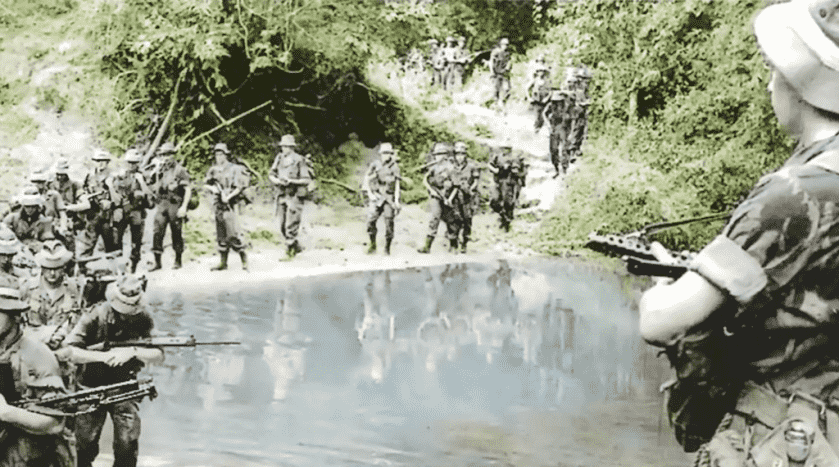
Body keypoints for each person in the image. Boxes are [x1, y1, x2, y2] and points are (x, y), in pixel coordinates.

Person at [639, 1, 839, 465]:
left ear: (794, 82)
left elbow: (663, 322)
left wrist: (659, 290)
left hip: (783, 439)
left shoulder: (793, 193)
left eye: (773, 72)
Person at [58, 274, 164, 467]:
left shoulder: (144, 317)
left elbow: (158, 354)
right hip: (89, 384)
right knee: (84, 445)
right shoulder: (95, 315)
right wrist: (104, 357)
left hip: (125, 385)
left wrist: (132, 352)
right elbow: (69, 351)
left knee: (127, 443)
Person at [0, 286, 74, 466]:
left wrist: (7, 413)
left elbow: (54, 423)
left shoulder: (38, 355)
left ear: (16, 316)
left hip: (32, 449)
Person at [24, 240, 81, 350]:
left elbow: (78, 322)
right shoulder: (28, 287)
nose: (52, 273)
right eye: (48, 268)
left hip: (64, 348)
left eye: (57, 268)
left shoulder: (74, 288)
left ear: (64, 267)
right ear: (42, 267)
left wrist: (61, 335)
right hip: (33, 347)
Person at [204, 142, 251, 270]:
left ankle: (244, 259)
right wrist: (213, 189)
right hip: (218, 203)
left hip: (232, 203)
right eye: (216, 154)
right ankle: (223, 263)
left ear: (226, 155)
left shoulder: (235, 168)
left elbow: (239, 187)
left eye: (221, 154)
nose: (218, 157)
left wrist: (228, 196)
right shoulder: (213, 170)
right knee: (221, 233)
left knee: (233, 232)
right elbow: (206, 184)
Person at [148, 141, 192, 271]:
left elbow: (188, 189)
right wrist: (155, 171)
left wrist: (183, 207)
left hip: (175, 203)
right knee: (157, 232)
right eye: (163, 155)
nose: (165, 158)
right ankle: (157, 262)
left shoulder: (180, 170)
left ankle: (178, 259)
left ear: (173, 155)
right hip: (162, 203)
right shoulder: (158, 170)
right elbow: (151, 184)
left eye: (168, 155)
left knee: (176, 232)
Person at [269, 135, 313, 258]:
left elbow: (306, 179)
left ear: (292, 147)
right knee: (282, 225)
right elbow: (271, 173)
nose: (284, 149)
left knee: (291, 224)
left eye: (286, 146)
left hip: (294, 195)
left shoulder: (299, 160)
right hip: (282, 194)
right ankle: (296, 246)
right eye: (282, 146)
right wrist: (276, 180)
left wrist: (291, 181)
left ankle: (289, 252)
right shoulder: (279, 158)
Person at [110, 148, 153, 273]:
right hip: (122, 210)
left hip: (137, 212)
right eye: (129, 162)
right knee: (117, 240)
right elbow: (115, 193)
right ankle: (119, 268)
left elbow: (151, 196)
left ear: (138, 163)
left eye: (134, 163)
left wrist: (141, 181)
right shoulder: (120, 175)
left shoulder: (144, 176)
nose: (131, 165)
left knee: (136, 242)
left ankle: (133, 267)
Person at [78, 150, 120, 258]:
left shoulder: (113, 177)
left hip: (107, 216)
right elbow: (81, 191)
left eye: (103, 161)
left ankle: (114, 271)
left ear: (107, 162)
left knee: (111, 245)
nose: (100, 163)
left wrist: (110, 187)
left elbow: (118, 200)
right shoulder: (89, 176)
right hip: (92, 214)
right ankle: (83, 270)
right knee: (87, 245)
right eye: (98, 161)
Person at [363, 143, 401, 255]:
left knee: (389, 222)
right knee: (371, 221)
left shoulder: (394, 167)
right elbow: (366, 179)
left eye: (388, 153)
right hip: (377, 195)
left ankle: (387, 248)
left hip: (389, 197)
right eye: (384, 153)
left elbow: (397, 185)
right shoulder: (376, 164)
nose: (386, 155)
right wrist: (370, 194)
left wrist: (397, 201)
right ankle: (372, 245)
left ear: (391, 154)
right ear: (380, 154)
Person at [418, 143, 455, 254]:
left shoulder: (451, 167)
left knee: (450, 220)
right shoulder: (433, 167)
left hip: (448, 196)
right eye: (437, 154)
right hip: (436, 195)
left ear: (445, 155)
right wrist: (431, 190)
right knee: (435, 218)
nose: (438, 157)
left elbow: (455, 184)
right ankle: (427, 246)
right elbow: (425, 180)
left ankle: (453, 245)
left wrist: (450, 197)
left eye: (440, 154)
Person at [448, 142, 481, 253]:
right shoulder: (452, 167)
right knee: (454, 220)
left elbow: (476, 181)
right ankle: (453, 244)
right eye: (457, 154)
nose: (460, 157)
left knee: (467, 220)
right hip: (455, 195)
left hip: (468, 197)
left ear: (465, 155)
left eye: (462, 154)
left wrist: (470, 189)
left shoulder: (472, 166)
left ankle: (465, 243)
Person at [488, 142, 526, 232]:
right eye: (503, 148)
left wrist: (512, 168)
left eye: (507, 148)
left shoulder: (514, 158)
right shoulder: (497, 156)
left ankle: (506, 223)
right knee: (494, 201)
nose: (505, 150)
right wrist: (495, 170)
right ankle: (503, 216)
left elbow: (517, 170)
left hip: (508, 182)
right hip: (498, 182)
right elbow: (490, 164)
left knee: (508, 203)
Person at [3, 189, 55, 254]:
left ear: (37, 207)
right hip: (16, 249)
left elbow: (48, 239)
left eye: (33, 207)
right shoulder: (13, 218)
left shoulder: (43, 220)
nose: (30, 210)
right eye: (27, 207)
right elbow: (4, 234)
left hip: (36, 250)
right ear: (23, 207)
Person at [544, 90, 574, 177]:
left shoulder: (567, 107)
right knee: (553, 150)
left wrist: (571, 132)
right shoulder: (550, 106)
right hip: (554, 128)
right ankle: (556, 169)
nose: (558, 103)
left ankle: (564, 169)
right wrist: (548, 125)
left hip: (564, 129)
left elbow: (572, 119)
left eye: (559, 101)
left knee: (565, 148)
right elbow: (544, 114)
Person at [568, 66, 592, 163]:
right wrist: (583, 103)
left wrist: (587, 102)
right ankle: (572, 151)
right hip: (575, 111)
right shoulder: (574, 87)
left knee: (582, 129)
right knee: (576, 130)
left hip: (582, 111)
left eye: (584, 78)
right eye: (581, 78)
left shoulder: (585, 88)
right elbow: (573, 99)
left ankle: (577, 148)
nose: (583, 80)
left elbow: (587, 98)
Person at [527, 65, 552, 133]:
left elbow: (550, 91)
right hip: (537, 100)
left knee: (544, 114)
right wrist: (529, 97)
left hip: (545, 101)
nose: (541, 73)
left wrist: (547, 98)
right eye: (539, 71)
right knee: (538, 114)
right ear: (537, 72)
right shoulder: (535, 80)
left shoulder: (547, 81)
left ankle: (540, 126)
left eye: (542, 71)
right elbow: (527, 89)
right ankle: (536, 128)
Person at [489, 38, 511, 107]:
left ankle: (502, 102)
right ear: (501, 45)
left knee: (507, 89)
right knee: (496, 90)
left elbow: (509, 62)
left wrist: (508, 67)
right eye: (504, 45)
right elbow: (491, 62)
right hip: (496, 73)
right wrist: (492, 72)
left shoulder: (507, 53)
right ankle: (496, 104)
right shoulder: (496, 52)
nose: (505, 46)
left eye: (507, 45)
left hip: (504, 74)